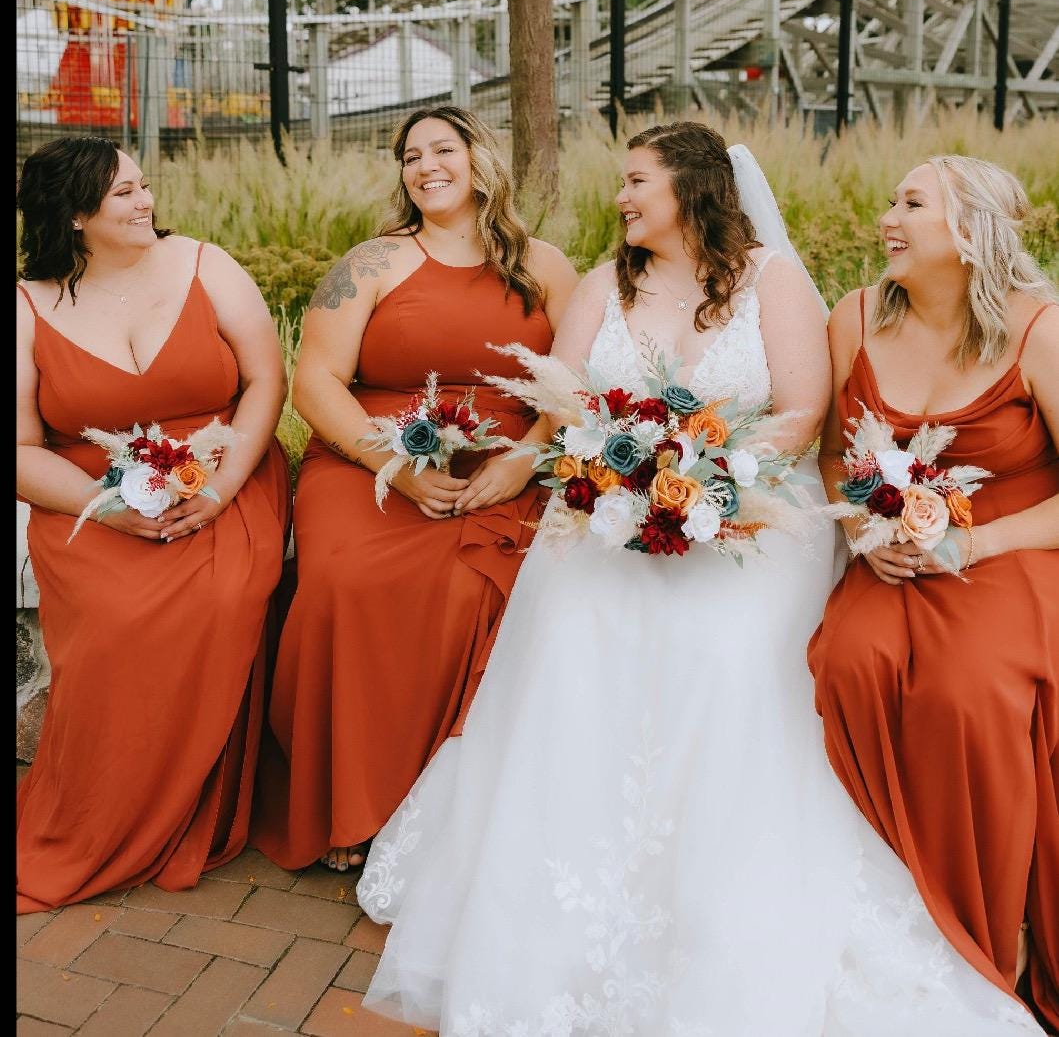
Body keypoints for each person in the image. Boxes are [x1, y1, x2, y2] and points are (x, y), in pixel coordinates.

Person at [355, 121, 1036, 1036]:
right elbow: (562, 401)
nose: (622, 197)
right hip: (606, 511)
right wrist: (618, 474)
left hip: (747, 512)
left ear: (692, 187)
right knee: (571, 635)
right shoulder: (603, 284)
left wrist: (706, 472)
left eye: (636, 180)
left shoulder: (773, 281)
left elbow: (800, 416)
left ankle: (722, 891)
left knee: (727, 651)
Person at [251, 106, 578, 873]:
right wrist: (392, 465)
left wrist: (526, 458)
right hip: (372, 456)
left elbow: (576, 382)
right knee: (346, 580)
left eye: (441, 150)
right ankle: (348, 804)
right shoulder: (370, 263)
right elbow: (315, 380)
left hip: (502, 463)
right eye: (409, 156)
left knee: (472, 590)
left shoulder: (546, 265)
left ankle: (445, 807)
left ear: (478, 159)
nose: (424, 165)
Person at [809, 154, 1059, 1031]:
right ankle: (890, 912)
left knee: (966, 695)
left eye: (910, 202)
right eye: (889, 196)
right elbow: (834, 452)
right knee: (848, 660)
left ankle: (989, 934)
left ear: (967, 231)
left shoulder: (1036, 331)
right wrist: (858, 532)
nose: (887, 215)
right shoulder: (855, 316)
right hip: (896, 549)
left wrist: (979, 540)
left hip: (1016, 545)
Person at [16, 137, 290, 911]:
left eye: (144, 187)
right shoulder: (27, 306)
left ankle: (191, 806)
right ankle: (105, 816)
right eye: (124, 196)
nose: (146, 205)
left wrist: (226, 484)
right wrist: (106, 507)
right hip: (90, 499)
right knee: (112, 619)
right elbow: (19, 447)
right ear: (75, 216)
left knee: (224, 596)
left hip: (224, 476)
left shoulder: (206, 264)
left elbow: (267, 378)